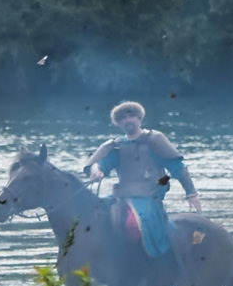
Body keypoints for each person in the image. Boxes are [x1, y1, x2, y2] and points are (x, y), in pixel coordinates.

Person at [82, 101, 202, 263]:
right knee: (95, 216)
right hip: (122, 194)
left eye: (132, 116)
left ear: (139, 118)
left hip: (150, 193)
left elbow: (177, 166)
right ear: (118, 123)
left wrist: (191, 193)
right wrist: (97, 170)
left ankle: (154, 262)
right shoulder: (116, 145)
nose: (128, 120)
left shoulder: (154, 139)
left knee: (134, 224)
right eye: (123, 118)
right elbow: (101, 163)